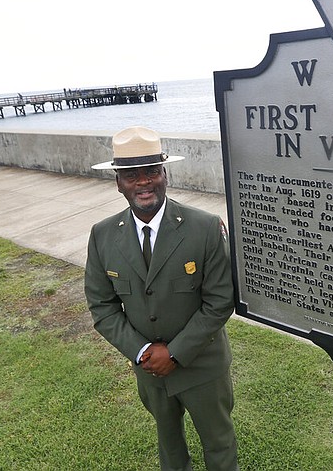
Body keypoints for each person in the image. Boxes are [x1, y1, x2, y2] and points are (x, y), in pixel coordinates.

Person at [85, 126, 238, 471]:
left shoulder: (205, 228)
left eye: (152, 172)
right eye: (131, 175)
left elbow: (219, 302)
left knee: (219, 443)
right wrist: (142, 352)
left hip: (203, 367)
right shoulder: (102, 236)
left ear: (164, 175)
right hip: (149, 370)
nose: (143, 183)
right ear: (118, 182)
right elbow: (102, 307)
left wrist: (176, 352)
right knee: (169, 446)